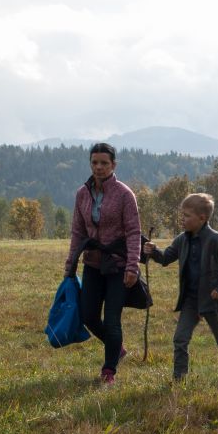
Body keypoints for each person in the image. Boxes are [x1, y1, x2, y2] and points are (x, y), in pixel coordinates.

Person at [143, 193, 218, 381]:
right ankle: (179, 380)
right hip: (190, 300)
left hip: (213, 300)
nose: (182, 219)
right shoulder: (181, 240)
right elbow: (165, 258)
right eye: (182, 215)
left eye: (187, 216)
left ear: (202, 218)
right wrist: (153, 251)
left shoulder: (216, 240)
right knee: (180, 339)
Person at [64, 143, 141, 385]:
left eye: (104, 163)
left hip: (117, 266)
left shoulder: (125, 194)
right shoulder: (82, 194)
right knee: (87, 315)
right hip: (92, 264)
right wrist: (70, 264)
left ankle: (109, 371)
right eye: (94, 162)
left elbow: (133, 232)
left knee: (112, 319)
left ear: (113, 165)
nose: (98, 167)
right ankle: (116, 347)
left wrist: (132, 266)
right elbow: (77, 231)